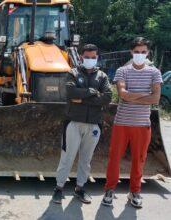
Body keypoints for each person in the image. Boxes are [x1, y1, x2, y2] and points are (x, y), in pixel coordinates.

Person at [102, 37, 162, 208]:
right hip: (121, 123)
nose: (140, 55)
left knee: (139, 159)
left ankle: (134, 192)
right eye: (137, 52)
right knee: (114, 158)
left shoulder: (154, 73)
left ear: (148, 53)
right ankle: (109, 189)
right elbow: (122, 94)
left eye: (143, 52)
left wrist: (132, 95)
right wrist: (145, 95)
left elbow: (156, 98)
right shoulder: (123, 71)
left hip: (142, 125)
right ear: (131, 52)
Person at [52, 44, 112, 204]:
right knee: (67, 157)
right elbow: (70, 93)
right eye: (87, 57)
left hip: (94, 124)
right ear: (80, 57)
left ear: (97, 57)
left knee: (86, 159)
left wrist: (82, 99)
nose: (90, 59)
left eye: (93, 57)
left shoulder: (103, 76)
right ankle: (58, 188)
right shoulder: (72, 73)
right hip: (73, 122)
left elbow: (107, 97)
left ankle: (80, 189)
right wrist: (92, 93)